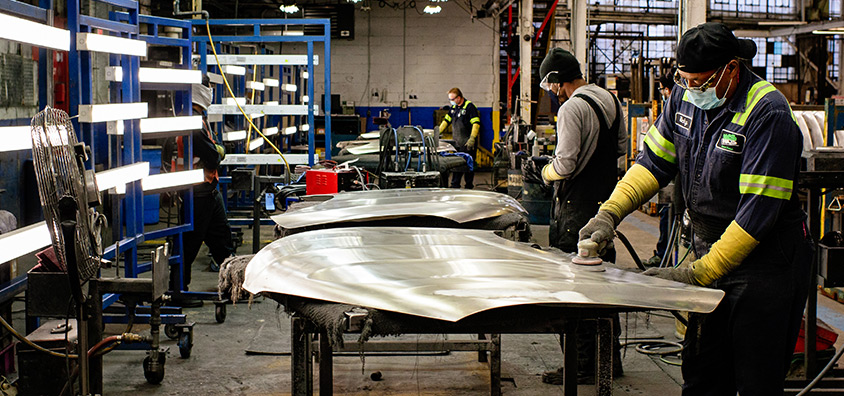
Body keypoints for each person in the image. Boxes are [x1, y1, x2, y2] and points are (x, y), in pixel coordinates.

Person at [579, 22, 812, 395]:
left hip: (765, 263)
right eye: (685, 81)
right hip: (710, 247)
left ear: (731, 69)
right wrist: (609, 213)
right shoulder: (685, 97)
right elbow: (652, 163)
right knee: (702, 373)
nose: (691, 90)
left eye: (700, 82)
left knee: (755, 379)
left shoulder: (768, 114)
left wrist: (697, 274)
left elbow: (756, 216)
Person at [537, 48, 628, 385]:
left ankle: (581, 365)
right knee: (604, 284)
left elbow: (565, 165)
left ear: (559, 81)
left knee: (573, 288)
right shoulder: (609, 99)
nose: (553, 93)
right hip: (603, 205)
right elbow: (620, 148)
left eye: (552, 86)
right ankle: (609, 360)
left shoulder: (572, 107)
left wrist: (545, 173)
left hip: (574, 208)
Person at [174, 77, 234, 304]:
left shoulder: (199, 118)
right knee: (189, 245)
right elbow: (213, 157)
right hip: (195, 193)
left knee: (221, 239)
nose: (211, 92)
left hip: (208, 190)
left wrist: (216, 151)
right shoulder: (193, 122)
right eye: (209, 88)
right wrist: (219, 150)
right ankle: (179, 291)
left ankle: (232, 285)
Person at [643, 74, 677, 267]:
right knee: (667, 215)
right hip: (669, 177)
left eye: (663, 89)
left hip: (677, 181)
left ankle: (664, 255)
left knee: (670, 216)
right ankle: (663, 254)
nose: (662, 93)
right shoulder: (670, 111)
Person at [438, 88, 481, 189]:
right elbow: (446, 121)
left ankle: (468, 187)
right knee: (457, 166)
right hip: (457, 143)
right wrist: (436, 133)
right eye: (450, 99)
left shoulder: (470, 107)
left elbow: (476, 123)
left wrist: (472, 138)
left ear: (459, 97)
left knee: (468, 166)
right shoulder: (454, 108)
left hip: (467, 143)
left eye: (452, 99)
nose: (451, 101)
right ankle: (455, 186)